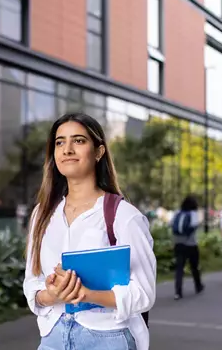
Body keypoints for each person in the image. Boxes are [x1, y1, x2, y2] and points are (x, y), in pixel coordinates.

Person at [23, 113, 156, 350]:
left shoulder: (124, 216)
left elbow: (144, 294)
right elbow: (32, 284)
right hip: (53, 336)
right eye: (60, 142)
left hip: (107, 338)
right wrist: (53, 294)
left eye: (79, 141)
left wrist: (85, 294)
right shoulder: (41, 215)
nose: (67, 149)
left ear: (98, 152)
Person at [171, 196, 204, 300]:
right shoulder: (193, 214)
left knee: (179, 268)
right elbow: (195, 226)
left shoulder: (178, 213)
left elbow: (171, 224)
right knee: (194, 266)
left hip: (178, 244)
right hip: (191, 244)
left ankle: (178, 292)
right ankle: (198, 286)